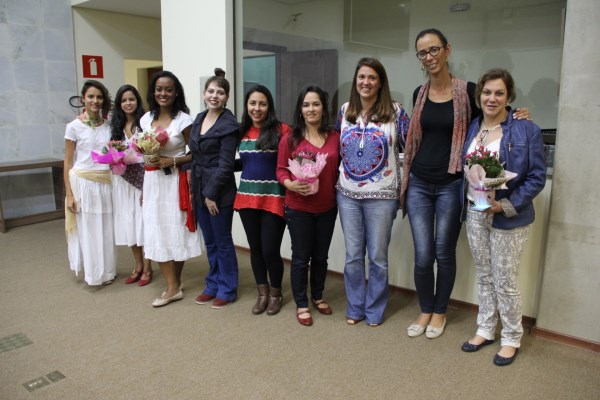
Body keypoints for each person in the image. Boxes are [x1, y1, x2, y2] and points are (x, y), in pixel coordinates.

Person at [400, 28, 530, 338]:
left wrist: (518, 115)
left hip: (450, 184)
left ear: (447, 50)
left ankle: (440, 312)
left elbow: (493, 114)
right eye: (423, 52)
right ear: (419, 58)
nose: (429, 56)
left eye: (434, 49)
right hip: (419, 182)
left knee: (444, 251)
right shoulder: (419, 94)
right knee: (423, 254)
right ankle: (425, 308)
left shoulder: (469, 91)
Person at [460, 68, 545, 366]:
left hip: (509, 215)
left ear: (509, 97)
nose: (491, 98)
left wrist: (505, 205)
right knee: (484, 275)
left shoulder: (526, 129)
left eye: (499, 93)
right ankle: (485, 328)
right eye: (487, 92)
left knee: (505, 279)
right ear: (479, 95)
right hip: (475, 210)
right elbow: (468, 168)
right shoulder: (474, 126)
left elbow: (536, 178)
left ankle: (511, 336)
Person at [336, 57, 410, 327]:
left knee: (377, 257)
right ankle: (355, 307)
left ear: (380, 83)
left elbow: (412, 146)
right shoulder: (345, 110)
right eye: (361, 77)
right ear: (356, 81)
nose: (366, 82)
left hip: (383, 196)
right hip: (347, 195)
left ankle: (375, 309)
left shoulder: (396, 112)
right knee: (353, 256)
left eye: (372, 78)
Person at [276, 86, 340, 326]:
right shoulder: (290, 138)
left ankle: (318, 296)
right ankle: (302, 303)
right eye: (306, 105)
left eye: (315, 104)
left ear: (324, 108)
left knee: (321, 257)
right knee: (301, 257)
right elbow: (281, 170)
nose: (311, 109)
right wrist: (291, 184)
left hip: (327, 207)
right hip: (298, 207)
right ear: (300, 110)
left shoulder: (335, 137)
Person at [141, 71, 202, 307]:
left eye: (168, 89)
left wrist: (172, 161)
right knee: (157, 230)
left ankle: (173, 285)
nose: (163, 93)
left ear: (176, 92)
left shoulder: (184, 120)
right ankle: (173, 285)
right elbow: (142, 151)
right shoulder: (145, 119)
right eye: (158, 89)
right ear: (153, 92)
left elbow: (196, 153)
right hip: (153, 181)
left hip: (176, 181)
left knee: (176, 229)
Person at [234, 85, 291, 315]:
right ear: (247, 106)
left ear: (269, 106)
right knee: (255, 249)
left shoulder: (282, 130)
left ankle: (276, 294)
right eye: (252, 103)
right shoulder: (241, 131)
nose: (257, 108)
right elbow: (247, 163)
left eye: (262, 103)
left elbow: (290, 161)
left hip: (274, 198)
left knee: (270, 250)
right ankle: (262, 293)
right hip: (247, 197)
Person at [189, 68, 240, 310]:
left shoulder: (229, 125)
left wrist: (211, 194)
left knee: (223, 241)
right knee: (209, 241)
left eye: (220, 92)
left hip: (219, 190)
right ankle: (213, 283)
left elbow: (226, 164)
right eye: (211, 91)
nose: (214, 96)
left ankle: (227, 288)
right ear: (203, 93)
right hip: (199, 185)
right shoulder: (199, 118)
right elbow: (195, 154)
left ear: (227, 97)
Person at [64, 80, 116, 285]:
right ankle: (94, 275)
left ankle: (108, 271)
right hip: (83, 183)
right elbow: (68, 161)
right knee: (88, 229)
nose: (95, 101)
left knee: (105, 228)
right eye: (91, 96)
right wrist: (69, 194)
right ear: (83, 98)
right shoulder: (74, 126)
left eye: (99, 97)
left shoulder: (110, 125)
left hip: (105, 182)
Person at [110, 84, 153, 286]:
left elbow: (150, 152)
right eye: (124, 100)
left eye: (132, 99)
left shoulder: (145, 124)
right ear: (119, 104)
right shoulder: (115, 127)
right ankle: (137, 266)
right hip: (123, 181)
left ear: (137, 101)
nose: (128, 103)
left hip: (143, 180)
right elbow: (111, 152)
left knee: (143, 223)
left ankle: (147, 267)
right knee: (129, 223)